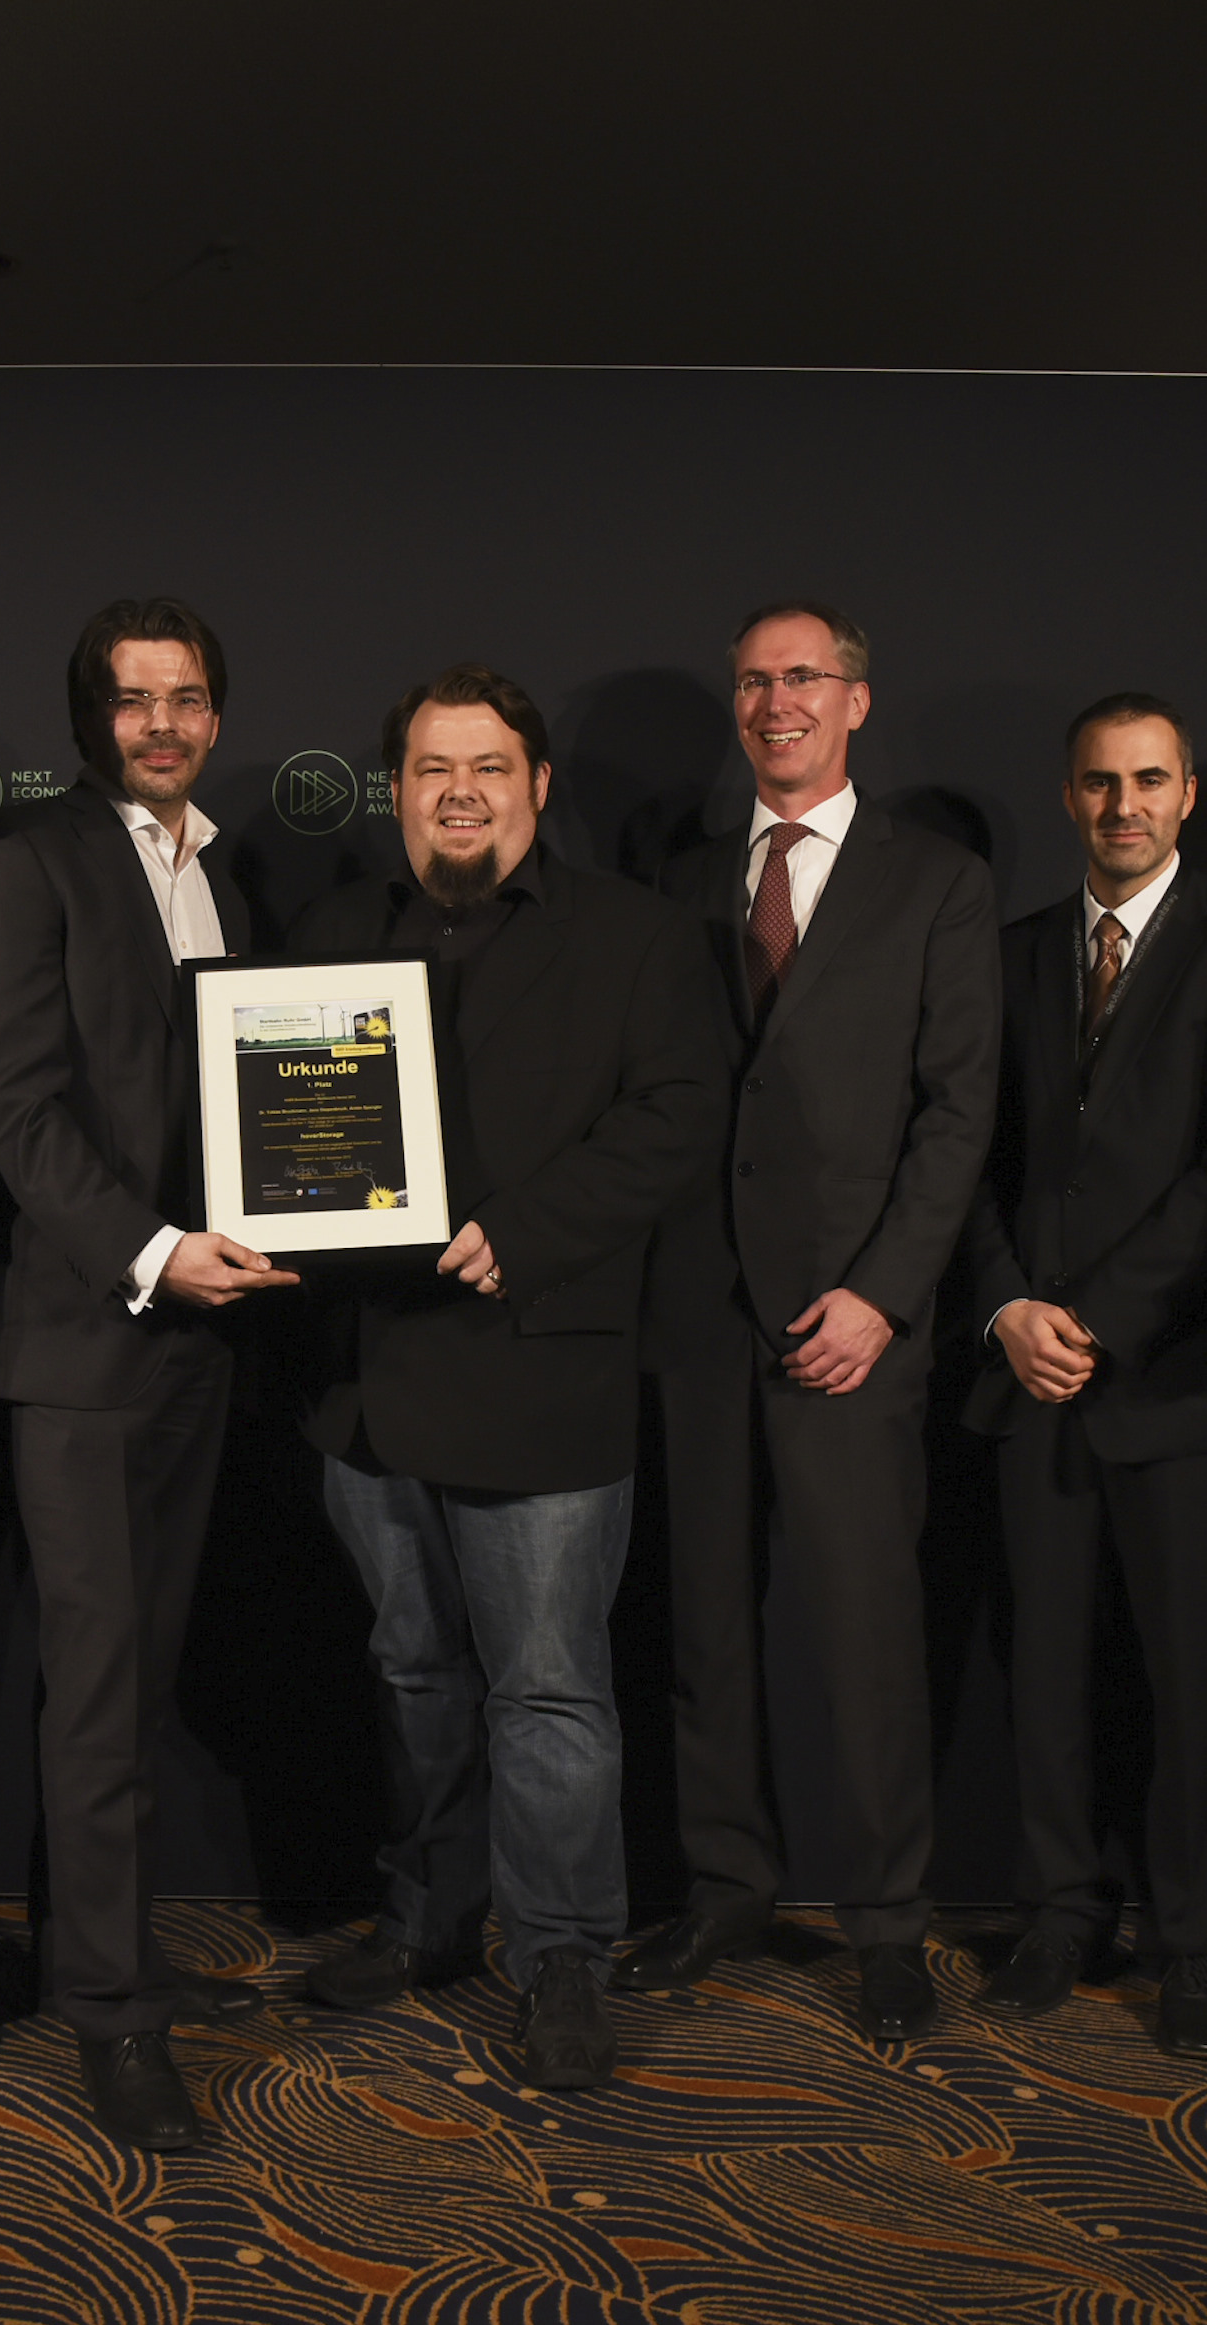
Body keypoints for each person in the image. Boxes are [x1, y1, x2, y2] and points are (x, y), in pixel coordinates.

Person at [295, 665, 723, 2090]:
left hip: (541, 1371)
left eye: (489, 768)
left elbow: (678, 1118)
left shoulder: (638, 937)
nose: (461, 794)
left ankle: (561, 1959)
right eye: (433, 770)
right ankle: (427, 1918)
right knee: (412, 1671)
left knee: (547, 1693)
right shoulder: (334, 935)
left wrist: (528, 1232)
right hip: (370, 1384)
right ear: (397, 791)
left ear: (539, 785)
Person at [628, 603, 999, 2043]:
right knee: (706, 1629)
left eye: (801, 678)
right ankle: (727, 1886)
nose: (774, 702)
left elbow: (959, 1111)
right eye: (751, 682)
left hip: (853, 1320)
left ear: (856, 700)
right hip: (697, 1314)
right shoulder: (677, 881)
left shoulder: (939, 882)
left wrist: (885, 1295)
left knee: (864, 1635)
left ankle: (887, 1921)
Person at [0, 596, 294, 2150]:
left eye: (189, 697)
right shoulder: (25, 861)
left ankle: (103, 1953)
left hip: (201, 1339)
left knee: (136, 1680)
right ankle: (111, 2016)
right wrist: (156, 1250)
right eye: (135, 698)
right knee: (97, 1689)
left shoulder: (222, 867)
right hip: (89, 1337)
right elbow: (19, 1113)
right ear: (91, 716)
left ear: (218, 715)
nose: (163, 723)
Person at [958, 694, 1207, 2056]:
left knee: (1192, 1683)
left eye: (1149, 781)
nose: (1124, 807)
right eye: (1101, 783)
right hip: (1030, 1371)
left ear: (1187, 795)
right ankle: (1060, 1909)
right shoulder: (1011, 954)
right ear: (1068, 796)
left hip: (1183, 1380)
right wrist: (1005, 1308)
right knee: (1043, 1671)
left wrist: (1095, 1316)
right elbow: (968, 1156)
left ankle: (1195, 1939)